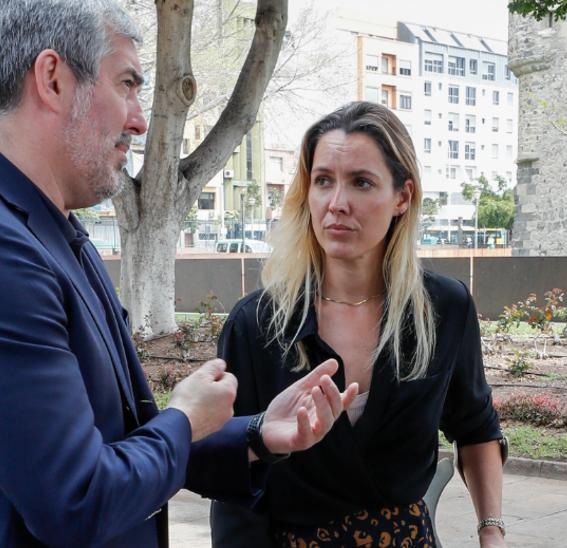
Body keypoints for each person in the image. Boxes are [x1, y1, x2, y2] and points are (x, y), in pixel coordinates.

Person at [0, 1, 355, 546]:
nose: (139, 118)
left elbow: (122, 442)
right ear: (52, 79)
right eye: (126, 83)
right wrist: (186, 419)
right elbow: (77, 499)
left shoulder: (45, 234)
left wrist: (258, 434)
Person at [208, 102, 508, 547]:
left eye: (361, 183)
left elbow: (476, 427)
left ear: (402, 197)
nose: (337, 204)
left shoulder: (444, 308)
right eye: (323, 180)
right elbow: (233, 475)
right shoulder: (258, 323)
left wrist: (492, 532)